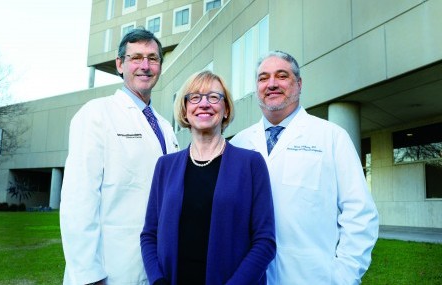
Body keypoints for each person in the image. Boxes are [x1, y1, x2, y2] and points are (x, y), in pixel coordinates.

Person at [230, 50, 379, 285]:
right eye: (263, 78)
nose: (271, 84)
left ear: (298, 84)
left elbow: (360, 213)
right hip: (248, 277)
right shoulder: (239, 143)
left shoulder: (331, 137)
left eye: (281, 76)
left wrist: (344, 276)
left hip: (312, 277)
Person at [59, 28, 179, 285]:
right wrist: (87, 274)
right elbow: (79, 198)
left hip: (158, 266)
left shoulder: (165, 127)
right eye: (136, 58)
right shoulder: (96, 114)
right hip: (111, 269)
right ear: (119, 64)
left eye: (153, 58)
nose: (145, 66)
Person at [140, 70, 276, 285]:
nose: (204, 104)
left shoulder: (251, 164)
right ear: (185, 110)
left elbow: (265, 242)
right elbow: (149, 235)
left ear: (225, 110)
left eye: (214, 97)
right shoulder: (165, 166)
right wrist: (158, 281)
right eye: (195, 97)